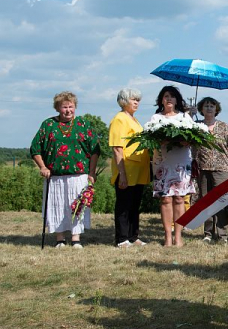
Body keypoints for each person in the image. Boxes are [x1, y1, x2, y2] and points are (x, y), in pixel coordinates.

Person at [30, 91, 100, 248]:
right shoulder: (48, 125)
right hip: (55, 176)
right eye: (64, 107)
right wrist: (43, 167)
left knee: (78, 206)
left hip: (79, 175)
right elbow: (35, 148)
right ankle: (60, 238)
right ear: (57, 108)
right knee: (58, 206)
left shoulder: (83, 124)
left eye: (71, 106)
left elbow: (95, 150)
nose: (68, 110)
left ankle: (76, 238)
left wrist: (92, 172)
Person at [151, 85, 195, 247]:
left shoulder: (185, 118)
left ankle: (178, 237)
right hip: (163, 163)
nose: (168, 99)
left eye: (172, 96)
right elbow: (152, 140)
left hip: (182, 163)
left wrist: (186, 140)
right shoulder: (156, 119)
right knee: (165, 200)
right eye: (165, 96)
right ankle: (167, 237)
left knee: (179, 199)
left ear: (177, 100)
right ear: (161, 100)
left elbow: (194, 139)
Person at [109, 88, 151, 248]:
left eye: (138, 100)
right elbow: (117, 148)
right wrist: (122, 174)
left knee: (135, 204)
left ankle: (133, 236)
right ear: (124, 101)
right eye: (133, 99)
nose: (136, 102)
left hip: (139, 170)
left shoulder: (134, 119)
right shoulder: (119, 119)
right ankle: (121, 238)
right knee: (124, 205)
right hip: (127, 169)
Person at [194, 97, 228, 244]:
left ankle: (222, 235)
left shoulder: (224, 126)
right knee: (205, 201)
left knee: (222, 201)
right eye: (206, 106)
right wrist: (189, 114)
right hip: (202, 168)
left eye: (212, 106)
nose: (209, 108)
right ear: (201, 109)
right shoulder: (196, 126)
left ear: (216, 109)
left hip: (222, 169)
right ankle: (207, 234)